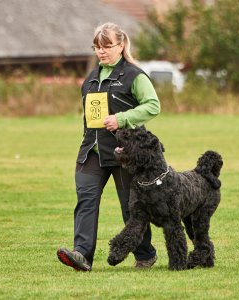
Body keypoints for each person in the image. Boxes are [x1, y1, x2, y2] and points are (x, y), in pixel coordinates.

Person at [57, 22, 161, 271]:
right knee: (86, 200)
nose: (101, 51)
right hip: (91, 151)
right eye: (97, 47)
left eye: (107, 46)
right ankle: (81, 255)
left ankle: (145, 254)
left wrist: (122, 119)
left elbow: (153, 105)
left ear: (121, 45)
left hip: (126, 152)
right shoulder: (91, 78)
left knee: (131, 206)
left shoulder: (135, 75)